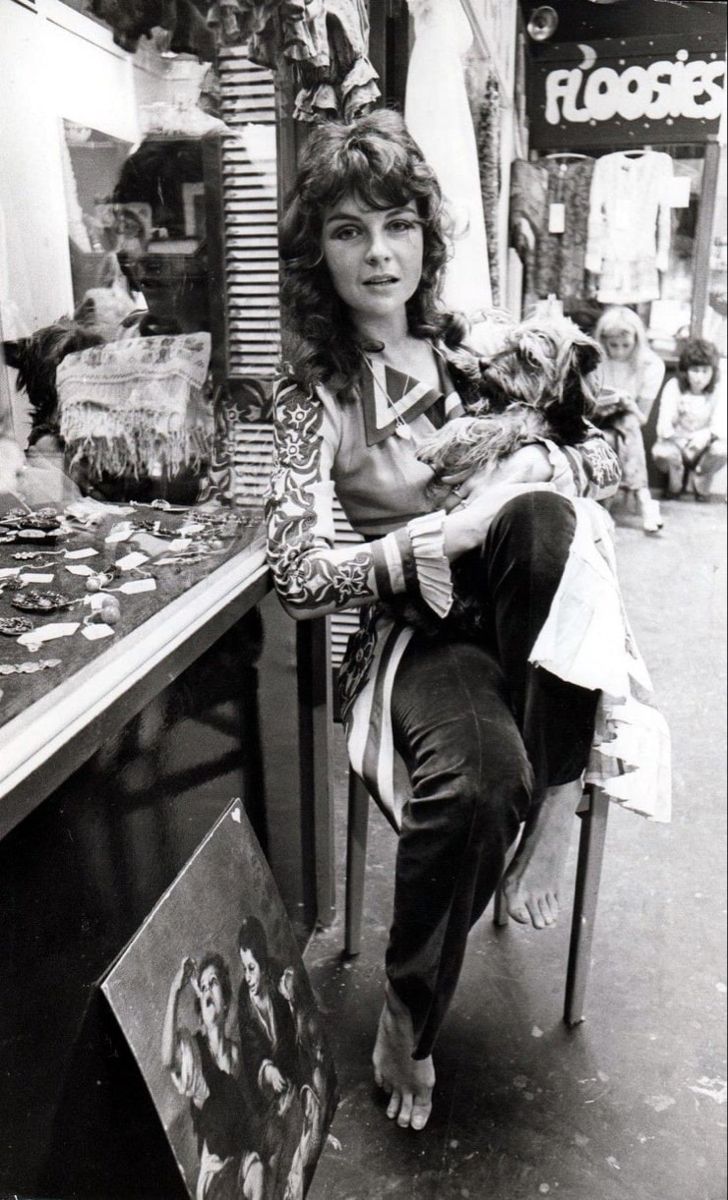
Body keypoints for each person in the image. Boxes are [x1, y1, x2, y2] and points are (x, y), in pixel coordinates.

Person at [266, 109, 623, 1133]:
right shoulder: (310, 401)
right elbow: (294, 575)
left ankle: (549, 815)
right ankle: (405, 1016)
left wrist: (542, 470)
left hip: (528, 605)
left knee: (547, 516)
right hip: (415, 635)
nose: (377, 253)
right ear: (317, 251)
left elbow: (599, 458)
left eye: (396, 225)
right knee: (477, 785)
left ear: (427, 237)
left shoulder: (476, 350)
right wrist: (442, 536)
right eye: (346, 230)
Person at [162, 954, 264, 1200]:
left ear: (226, 1002)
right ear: (200, 1011)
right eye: (203, 986)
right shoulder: (194, 1053)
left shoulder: (238, 1053)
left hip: (241, 1157)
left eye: (214, 982)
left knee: (259, 1170)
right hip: (216, 1173)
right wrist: (176, 991)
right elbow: (167, 1060)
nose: (207, 989)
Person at [236, 917, 302, 1193]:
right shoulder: (244, 999)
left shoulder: (278, 978)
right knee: (273, 1150)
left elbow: (293, 1033)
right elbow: (252, 1051)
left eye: (252, 968)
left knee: (296, 1139)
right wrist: (266, 1069)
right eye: (244, 969)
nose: (248, 977)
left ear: (262, 963)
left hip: (293, 1076)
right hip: (266, 1095)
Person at [592, 306, 666, 533]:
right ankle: (644, 500)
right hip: (593, 417)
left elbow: (641, 418)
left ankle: (607, 506)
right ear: (603, 340)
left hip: (627, 421)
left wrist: (628, 404)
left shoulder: (651, 365)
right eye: (613, 345)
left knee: (627, 425)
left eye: (626, 345)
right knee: (616, 435)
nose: (619, 352)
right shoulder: (593, 359)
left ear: (637, 340)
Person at [652, 337, 727, 500]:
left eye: (705, 371)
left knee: (722, 449)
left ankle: (700, 483)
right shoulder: (673, 386)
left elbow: (720, 426)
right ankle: (675, 485)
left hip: (704, 446)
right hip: (677, 443)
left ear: (713, 372)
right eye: (695, 370)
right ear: (685, 371)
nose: (699, 378)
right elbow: (663, 426)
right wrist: (679, 438)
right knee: (661, 452)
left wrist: (705, 436)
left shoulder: (719, 390)